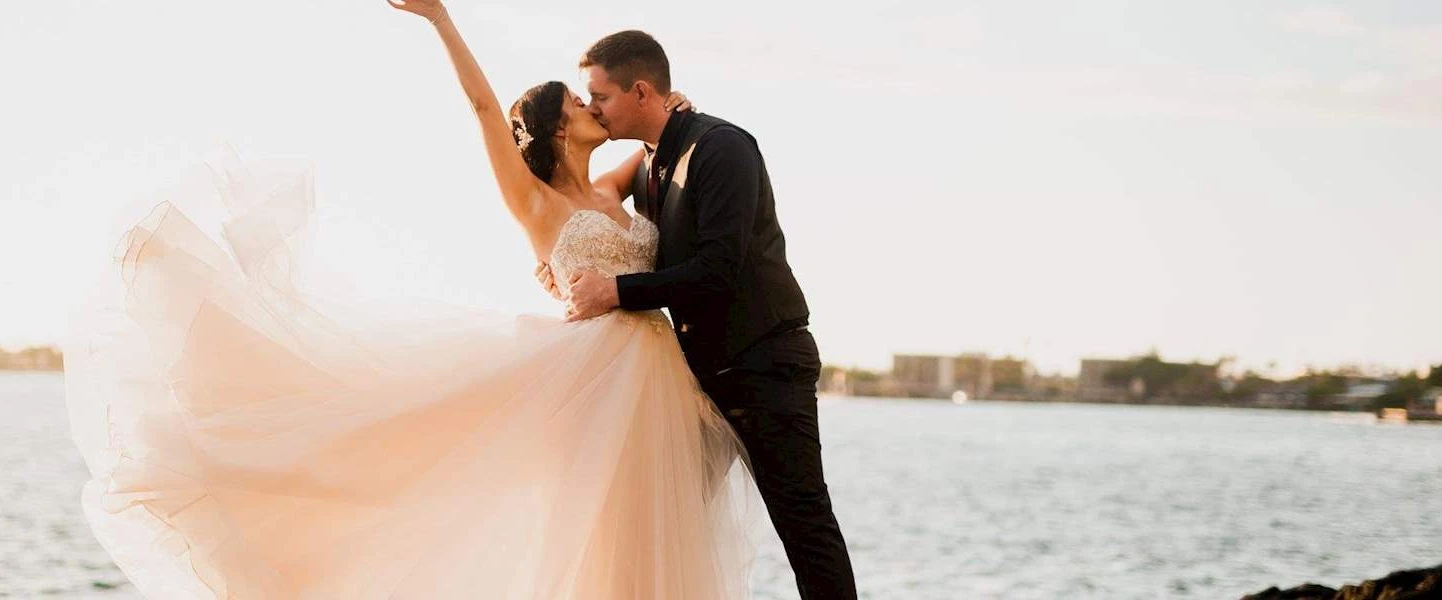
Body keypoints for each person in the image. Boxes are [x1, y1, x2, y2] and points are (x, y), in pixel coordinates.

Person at [65, 1, 753, 597]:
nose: (592, 106)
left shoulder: (613, 190)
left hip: (659, 380)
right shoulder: (534, 202)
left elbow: (664, 133)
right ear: (552, 128)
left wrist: (675, 108)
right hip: (596, 389)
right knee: (607, 534)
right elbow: (485, 108)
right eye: (579, 103)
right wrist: (440, 17)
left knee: (660, 536)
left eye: (595, 98)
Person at [540, 28, 859, 600]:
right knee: (657, 524)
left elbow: (720, 269)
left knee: (803, 527)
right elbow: (588, 213)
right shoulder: (648, 164)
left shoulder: (722, 148)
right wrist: (557, 265)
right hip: (695, 383)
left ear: (641, 92)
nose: (593, 108)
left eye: (601, 97)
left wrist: (614, 291)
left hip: (764, 368)